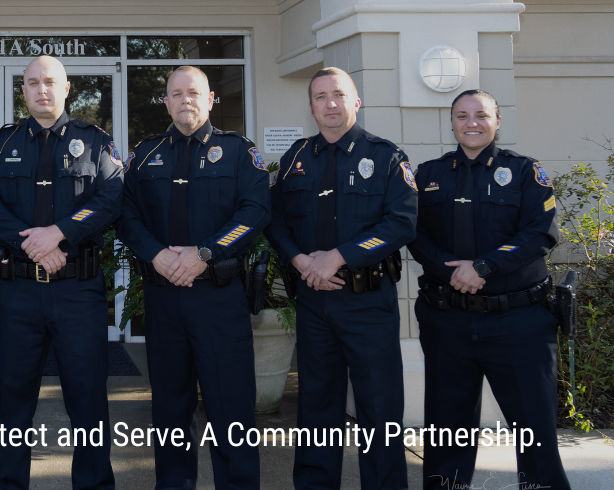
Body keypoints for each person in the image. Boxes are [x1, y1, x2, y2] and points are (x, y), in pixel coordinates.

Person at [116, 66, 270, 490]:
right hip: (164, 299)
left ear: (210, 98)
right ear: (165, 101)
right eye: (176, 93)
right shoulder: (145, 154)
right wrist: (157, 256)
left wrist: (206, 253)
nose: (186, 99)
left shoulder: (239, 152)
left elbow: (255, 212)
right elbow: (126, 216)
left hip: (218, 299)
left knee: (231, 406)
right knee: (169, 405)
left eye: (194, 92)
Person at [0, 55, 123, 490]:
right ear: (23, 91)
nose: (42, 89)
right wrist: (30, 244)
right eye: (33, 83)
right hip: (19, 293)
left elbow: (110, 199)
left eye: (50, 82)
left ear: (66, 88)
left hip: (78, 290)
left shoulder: (95, 142)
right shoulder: (0, 144)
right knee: (13, 403)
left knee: (89, 401)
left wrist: (58, 233)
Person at [410, 90, 571, 490]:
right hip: (448, 319)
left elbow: (540, 233)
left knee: (533, 428)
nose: (472, 123)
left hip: (517, 321)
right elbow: (413, 232)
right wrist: (454, 273)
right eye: (462, 116)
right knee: (447, 429)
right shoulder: (428, 174)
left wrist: (483, 266)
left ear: (498, 121)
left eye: (481, 115)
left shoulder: (524, 172)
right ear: (452, 123)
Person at [265, 67, 417, 490]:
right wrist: (300, 262)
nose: (330, 103)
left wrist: (338, 257)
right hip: (314, 302)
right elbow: (274, 221)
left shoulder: (386, 157)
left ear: (356, 101)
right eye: (320, 97)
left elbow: (401, 224)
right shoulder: (296, 158)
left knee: (379, 407)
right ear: (311, 106)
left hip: (368, 302)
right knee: (317, 405)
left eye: (338, 94)